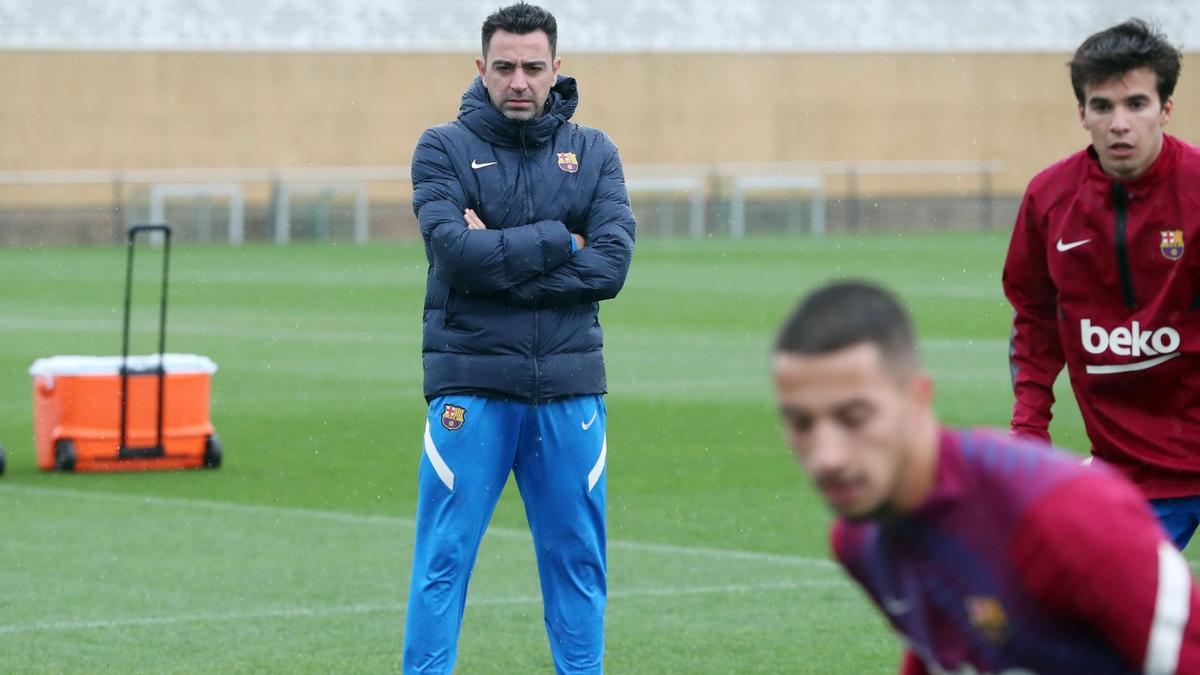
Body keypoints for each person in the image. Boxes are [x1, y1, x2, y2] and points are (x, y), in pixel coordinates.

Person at [772, 280, 1200, 674]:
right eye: (801, 423)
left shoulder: (1066, 512)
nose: (827, 457)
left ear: (918, 397)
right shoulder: (859, 540)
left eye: (855, 417)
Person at [402, 3, 635, 674]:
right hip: (470, 391)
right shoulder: (442, 147)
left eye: (534, 67)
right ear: (481, 68)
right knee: (442, 562)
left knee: (578, 565)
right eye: (504, 67)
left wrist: (496, 262)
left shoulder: (595, 152)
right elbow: (453, 254)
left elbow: (611, 267)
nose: (519, 82)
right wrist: (563, 239)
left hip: (568, 391)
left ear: (557, 68)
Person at [1003, 18, 1200, 550]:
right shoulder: (1050, 200)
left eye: (1136, 104)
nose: (1120, 123)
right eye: (1102, 106)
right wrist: (1029, 433)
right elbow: (1035, 325)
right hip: (1131, 470)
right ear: (1082, 114)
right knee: (1090, 620)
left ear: (1165, 109)